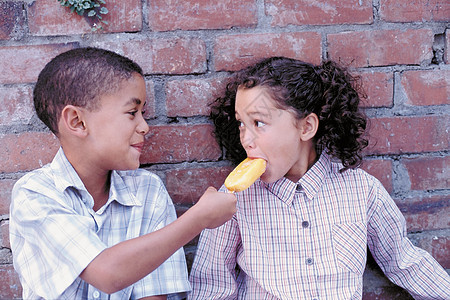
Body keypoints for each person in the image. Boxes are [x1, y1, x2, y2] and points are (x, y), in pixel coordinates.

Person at [188, 57, 450, 299]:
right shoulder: (232, 200)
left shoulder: (361, 189)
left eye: (258, 123)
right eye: (241, 124)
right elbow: (210, 288)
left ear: (306, 127)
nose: (246, 139)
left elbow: (405, 262)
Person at [9, 47, 237, 300]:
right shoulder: (36, 194)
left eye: (144, 113)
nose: (145, 126)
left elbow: (154, 295)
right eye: (132, 113)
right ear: (77, 121)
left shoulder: (147, 191)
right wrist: (199, 218)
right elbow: (106, 273)